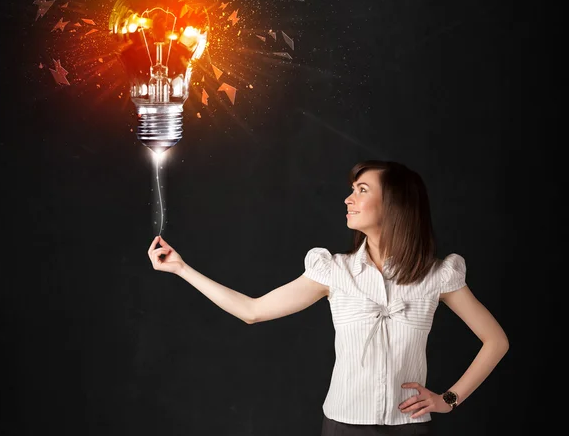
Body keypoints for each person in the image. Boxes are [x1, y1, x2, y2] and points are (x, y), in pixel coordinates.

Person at [147, 160, 509, 435]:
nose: (349, 199)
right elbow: (251, 310)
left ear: (395, 203)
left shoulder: (437, 274)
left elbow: (495, 341)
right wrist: (181, 268)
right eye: (352, 189)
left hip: (409, 427)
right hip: (343, 426)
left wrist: (447, 400)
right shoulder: (333, 270)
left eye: (362, 190)